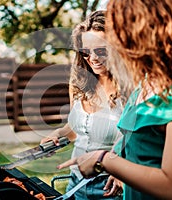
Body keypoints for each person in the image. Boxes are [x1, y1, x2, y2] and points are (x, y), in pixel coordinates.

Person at [57, 0, 172, 199]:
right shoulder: (146, 82)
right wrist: (118, 161)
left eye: (122, 28)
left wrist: (104, 159)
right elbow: (130, 138)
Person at [40, 10, 125, 199]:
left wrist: (123, 172)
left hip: (112, 186)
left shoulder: (132, 90)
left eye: (101, 51)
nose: (93, 58)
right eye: (86, 52)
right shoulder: (79, 84)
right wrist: (59, 133)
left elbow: (137, 140)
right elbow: (75, 129)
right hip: (75, 183)